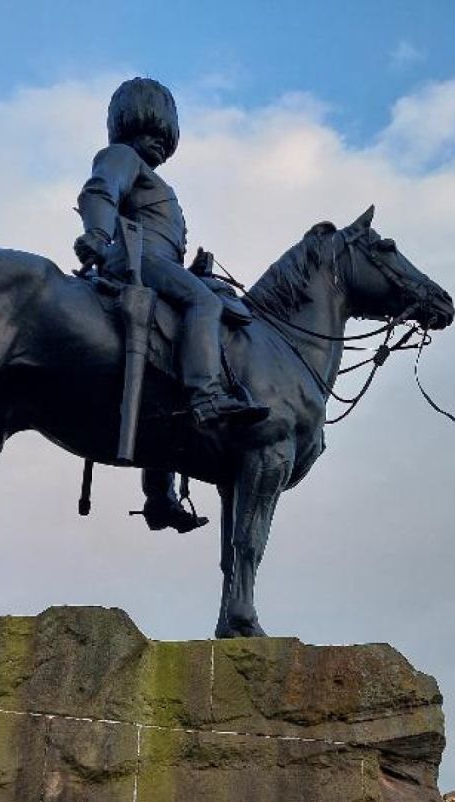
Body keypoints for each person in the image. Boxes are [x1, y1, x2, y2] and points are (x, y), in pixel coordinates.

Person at [74, 77, 266, 531]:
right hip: (134, 261)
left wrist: (193, 267)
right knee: (204, 303)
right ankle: (206, 397)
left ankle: (159, 497)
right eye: (151, 131)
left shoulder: (154, 179)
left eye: (165, 135)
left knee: (168, 364)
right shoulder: (122, 158)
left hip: (159, 263)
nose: (159, 143)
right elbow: (98, 191)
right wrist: (97, 235)